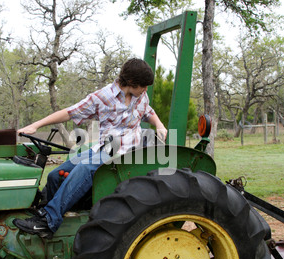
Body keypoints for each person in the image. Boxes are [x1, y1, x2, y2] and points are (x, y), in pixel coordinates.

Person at [12, 58, 168, 239]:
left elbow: (148, 112)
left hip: (128, 152)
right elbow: (69, 113)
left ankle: (48, 221)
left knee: (86, 168)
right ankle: (55, 217)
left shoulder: (141, 96)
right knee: (55, 176)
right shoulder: (103, 97)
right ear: (132, 83)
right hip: (107, 147)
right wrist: (35, 125)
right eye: (144, 86)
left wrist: (160, 125)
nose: (146, 90)